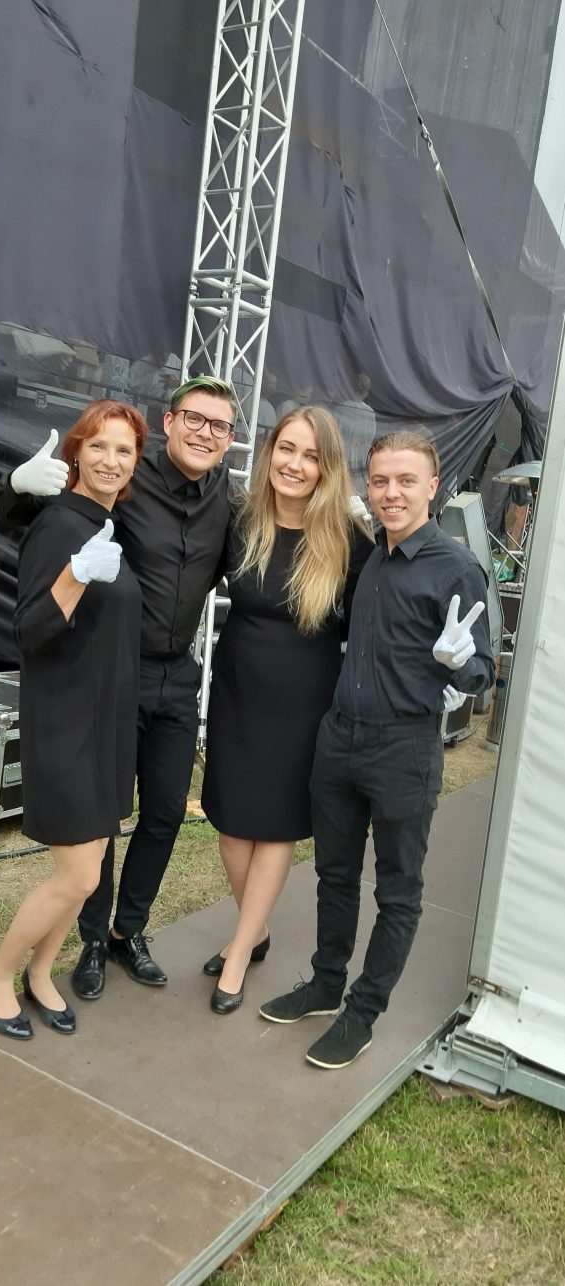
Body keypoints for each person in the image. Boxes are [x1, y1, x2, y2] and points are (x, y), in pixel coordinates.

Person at [0, 377, 236, 1001]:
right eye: (195, 418)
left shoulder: (228, 501)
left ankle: (129, 931)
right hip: (114, 672)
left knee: (164, 812)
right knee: (102, 813)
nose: (206, 433)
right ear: (170, 422)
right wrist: (14, 485)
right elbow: (40, 519)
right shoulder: (123, 475)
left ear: (229, 439)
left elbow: (263, 561)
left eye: (220, 425)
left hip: (178, 675)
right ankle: (92, 939)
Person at [259, 430, 495, 1067]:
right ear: (369, 484)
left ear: (433, 487)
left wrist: (463, 663)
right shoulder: (367, 555)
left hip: (404, 746)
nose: (392, 493)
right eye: (382, 480)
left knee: (398, 891)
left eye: (406, 481)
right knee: (333, 874)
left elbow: (482, 672)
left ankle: (363, 1013)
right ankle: (325, 984)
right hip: (340, 738)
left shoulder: (456, 568)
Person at [0, 400, 147, 1039]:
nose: (110, 460)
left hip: (106, 725)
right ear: (76, 451)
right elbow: (30, 632)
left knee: (89, 872)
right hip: (65, 723)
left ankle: (41, 971)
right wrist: (74, 575)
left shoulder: (107, 521)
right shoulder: (56, 523)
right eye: (98, 446)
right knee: (77, 874)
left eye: (124, 450)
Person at [200, 407, 373, 1014]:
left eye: (311, 456)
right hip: (236, 694)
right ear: (270, 450)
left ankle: (239, 954)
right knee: (230, 828)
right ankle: (259, 930)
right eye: (287, 449)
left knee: (274, 828)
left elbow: (373, 619)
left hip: (302, 704)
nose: (294, 465)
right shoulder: (241, 520)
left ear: (328, 469)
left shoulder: (348, 541)